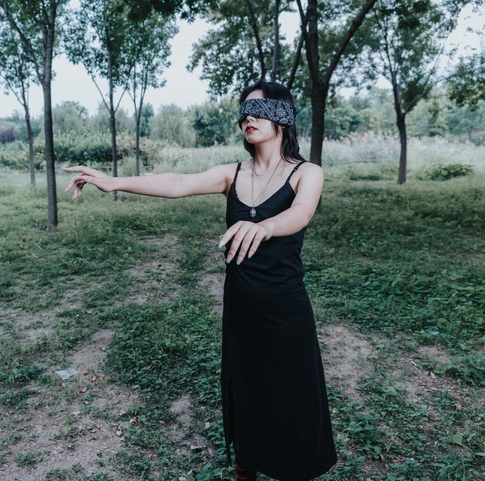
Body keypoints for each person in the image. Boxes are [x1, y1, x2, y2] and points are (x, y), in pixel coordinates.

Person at [64, 81, 337, 481]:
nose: (248, 117)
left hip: (285, 309)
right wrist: (113, 182)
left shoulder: (306, 173)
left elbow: (302, 212)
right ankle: (247, 468)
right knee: (245, 392)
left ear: (283, 116)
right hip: (242, 310)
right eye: (244, 111)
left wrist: (265, 226)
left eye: (258, 110)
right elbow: (178, 182)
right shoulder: (232, 174)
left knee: (292, 394)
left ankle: (295, 469)